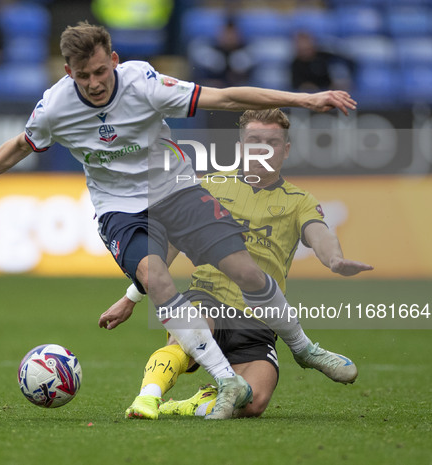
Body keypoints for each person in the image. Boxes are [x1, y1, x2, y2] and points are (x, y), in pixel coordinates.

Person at [0, 22, 356, 420]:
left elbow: (225, 98)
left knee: (245, 269)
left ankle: (305, 349)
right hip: (119, 209)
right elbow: (21, 145)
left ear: (113, 60)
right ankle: (227, 381)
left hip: (175, 190)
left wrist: (304, 99)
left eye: (100, 71)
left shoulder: (145, 84)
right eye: (83, 76)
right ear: (68, 72)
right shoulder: (55, 106)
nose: (94, 83)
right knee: (156, 278)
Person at [101, 109, 373, 419]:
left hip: (260, 321)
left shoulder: (300, 201)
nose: (262, 149)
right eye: (254, 140)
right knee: (187, 337)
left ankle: (197, 402)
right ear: (240, 146)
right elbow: (168, 249)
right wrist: (132, 296)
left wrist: (335, 260)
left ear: (285, 149)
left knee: (254, 403)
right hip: (208, 298)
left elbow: (320, 234)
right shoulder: (207, 187)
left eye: (272, 142)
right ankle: (147, 398)